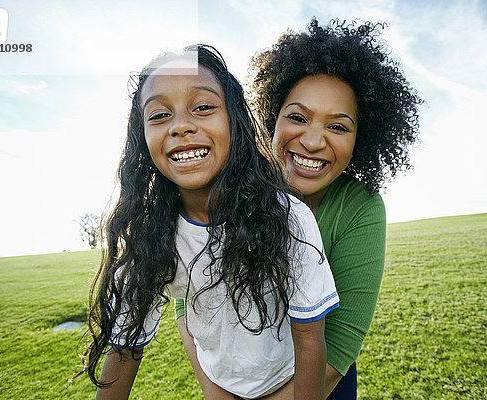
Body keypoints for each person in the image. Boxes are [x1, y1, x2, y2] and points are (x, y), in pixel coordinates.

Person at [176, 19, 421, 399]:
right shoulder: (226, 186)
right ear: (270, 117)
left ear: (361, 139)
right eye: (297, 117)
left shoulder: (360, 208)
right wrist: (217, 394)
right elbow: (188, 300)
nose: (312, 140)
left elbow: (338, 343)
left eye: (338, 127)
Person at [83, 44, 340, 400]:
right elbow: (125, 349)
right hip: (219, 384)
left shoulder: (289, 217)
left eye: (203, 107)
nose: (181, 126)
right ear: (142, 139)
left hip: (287, 380)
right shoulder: (148, 235)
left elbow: (310, 339)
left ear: (235, 121)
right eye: (158, 115)